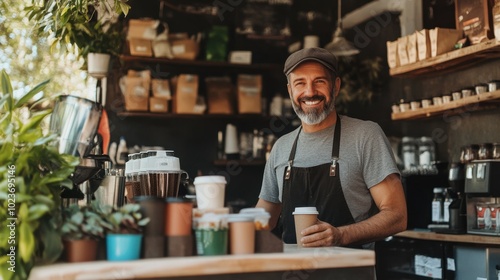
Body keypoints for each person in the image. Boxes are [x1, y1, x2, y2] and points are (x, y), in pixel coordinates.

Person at [255, 47, 407, 249]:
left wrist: (341, 235)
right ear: (290, 90)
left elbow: (397, 215)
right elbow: (265, 218)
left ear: (335, 87)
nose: (310, 92)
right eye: (300, 83)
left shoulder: (365, 136)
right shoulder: (282, 147)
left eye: (319, 81)